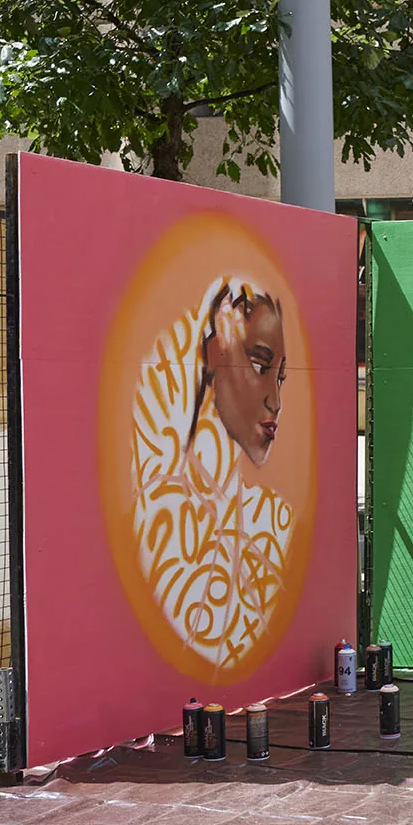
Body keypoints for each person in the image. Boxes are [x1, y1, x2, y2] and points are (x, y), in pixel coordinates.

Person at [131, 275, 296, 678]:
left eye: (281, 377)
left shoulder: (274, 520)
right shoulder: (158, 513)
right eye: (259, 364)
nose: (275, 400)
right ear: (212, 352)